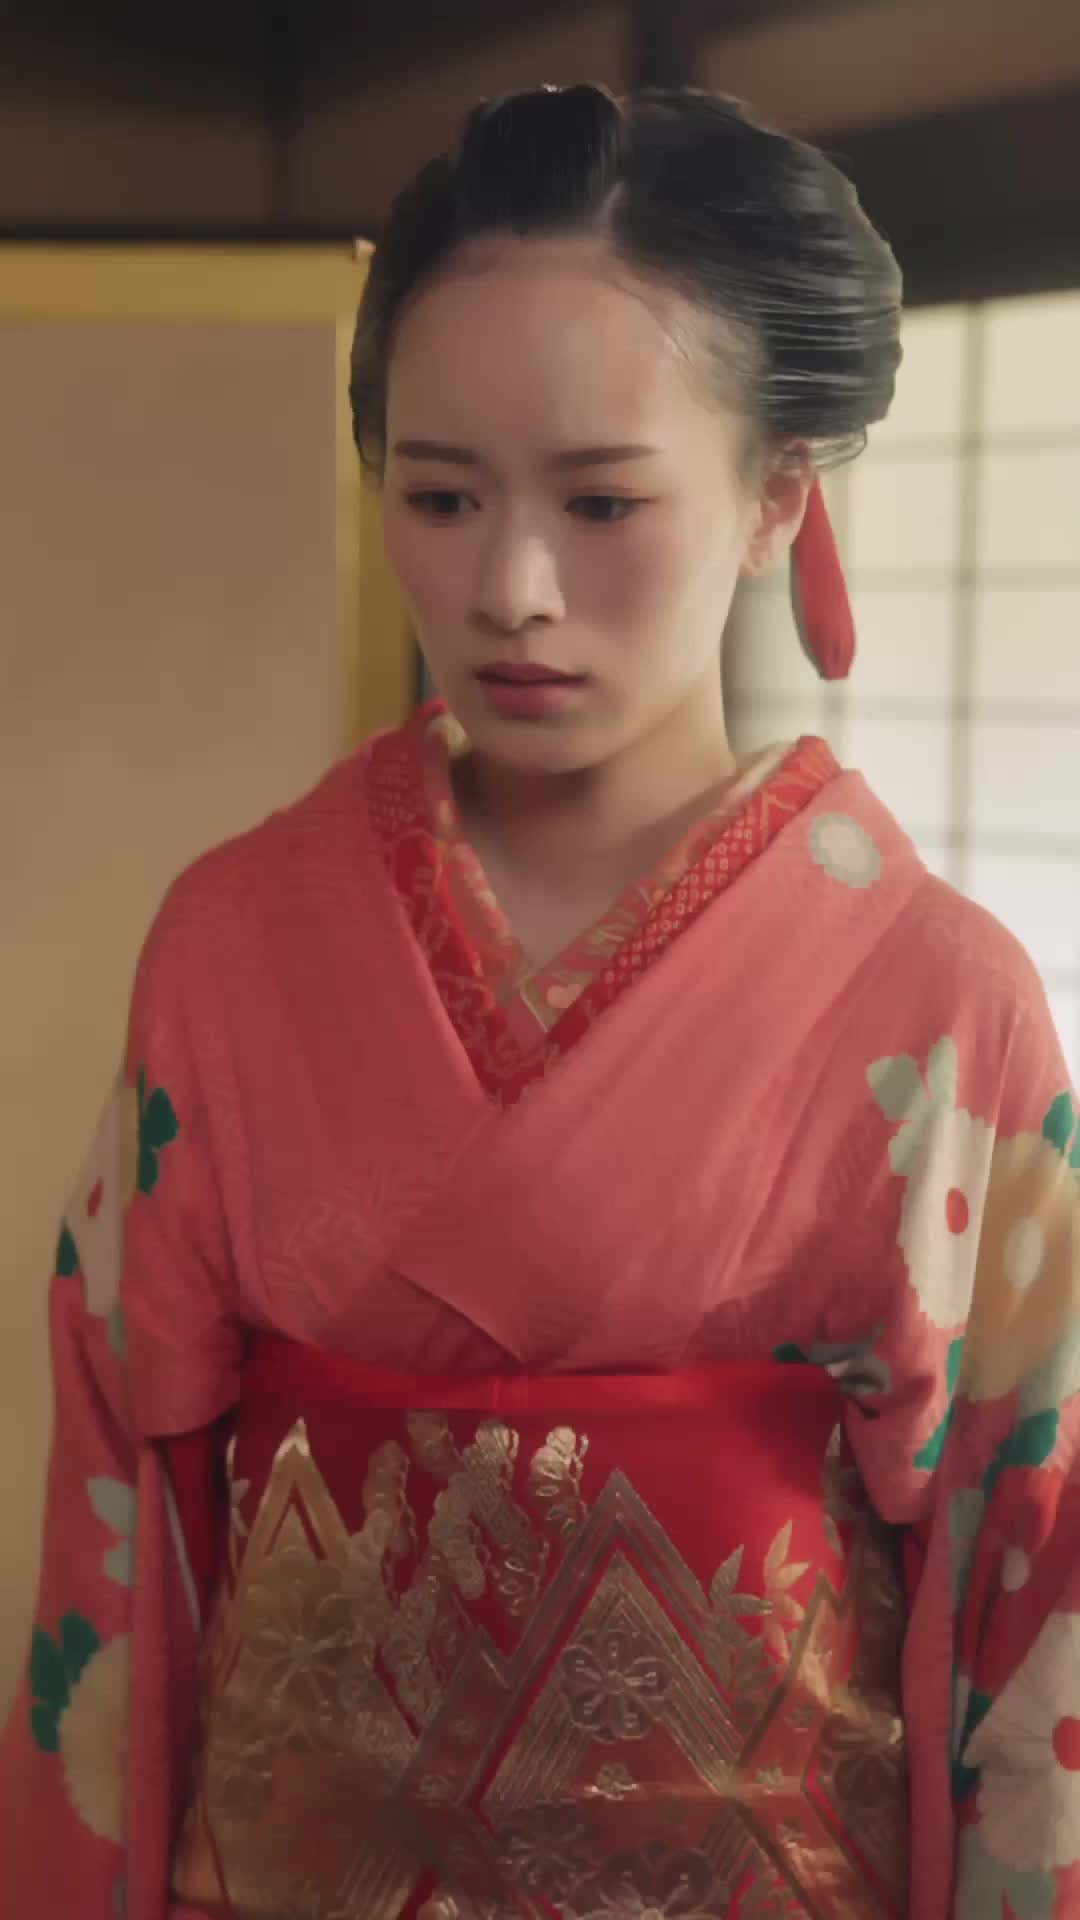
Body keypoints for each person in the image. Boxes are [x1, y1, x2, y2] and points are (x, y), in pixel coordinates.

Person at [2, 81, 1078, 1920]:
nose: (509, 587)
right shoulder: (233, 943)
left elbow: (1028, 1601)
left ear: (776, 497)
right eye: (440, 496)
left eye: (601, 501)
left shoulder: (937, 1000)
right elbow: (128, 1536)